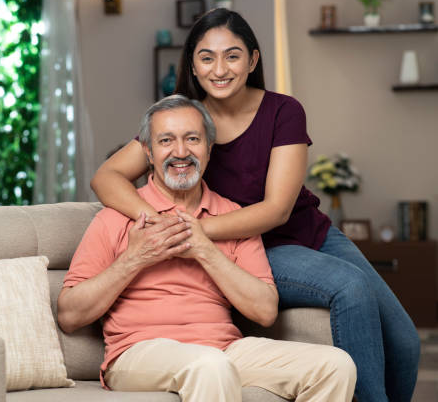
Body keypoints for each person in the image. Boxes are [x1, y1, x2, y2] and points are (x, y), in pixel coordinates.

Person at [89, 8, 419, 402]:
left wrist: (190, 230)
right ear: (192, 65)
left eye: (232, 55)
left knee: (406, 342)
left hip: (307, 233)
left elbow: (276, 210)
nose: (220, 69)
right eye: (206, 57)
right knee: (350, 287)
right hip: (260, 248)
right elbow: (106, 177)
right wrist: (161, 221)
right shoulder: (187, 123)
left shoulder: (283, 111)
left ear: (253, 60)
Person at [59, 95, 356, 402]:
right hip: (139, 352)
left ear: (209, 149)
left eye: (192, 139)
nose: (181, 152)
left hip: (223, 350)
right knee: (210, 366)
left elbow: (265, 311)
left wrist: (204, 249)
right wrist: (134, 259)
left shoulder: (232, 218)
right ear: (148, 151)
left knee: (335, 365)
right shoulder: (116, 217)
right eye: (166, 141)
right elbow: (69, 314)